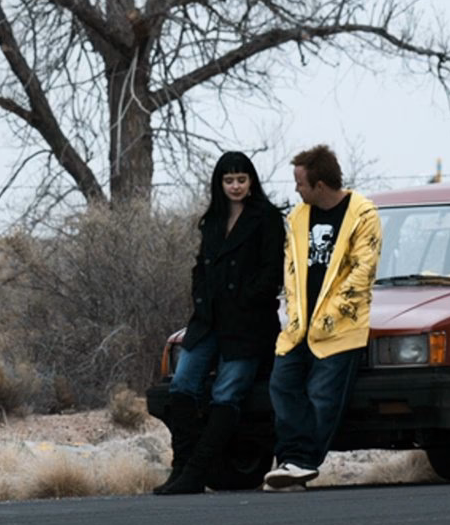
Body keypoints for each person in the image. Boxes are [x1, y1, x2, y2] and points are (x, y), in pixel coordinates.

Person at [155, 151, 286, 495]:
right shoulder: (212, 219)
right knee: (182, 384)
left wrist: (245, 299)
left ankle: (196, 473)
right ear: (220, 183)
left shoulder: (267, 218)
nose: (236, 186)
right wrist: (200, 297)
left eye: (241, 179)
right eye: (229, 180)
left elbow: (272, 272)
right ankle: (182, 467)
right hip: (208, 320)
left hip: (248, 324)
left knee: (227, 392)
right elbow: (201, 266)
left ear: (252, 181)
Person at [265, 144, 381, 491]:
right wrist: (296, 315)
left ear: (319, 185)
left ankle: (301, 462)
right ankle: (289, 461)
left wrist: (329, 316)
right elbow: (291, 268)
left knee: (322, 395)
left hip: (341, 328)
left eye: (300, 183)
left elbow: (363, 270)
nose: (296, 190)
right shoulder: (298, 218)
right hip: (300, 328)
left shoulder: (363, 215)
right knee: (282, 385)